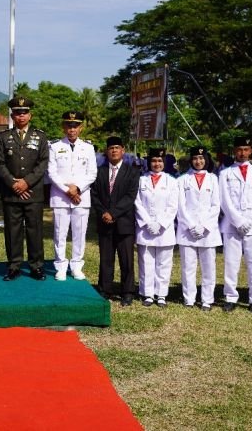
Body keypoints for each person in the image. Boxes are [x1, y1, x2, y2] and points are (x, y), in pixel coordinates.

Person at [0, 97, 50, 281]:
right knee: (13, 232)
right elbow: (0, 163)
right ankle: (14, 266)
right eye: (17, 113)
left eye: (24, 112)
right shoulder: (4, 137)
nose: (21, 116)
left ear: (30, 115)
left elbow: (43, 163)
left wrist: (26, 182)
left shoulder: (40, 136)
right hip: (11, 193)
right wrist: (13, 183)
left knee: (35, 231)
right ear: (12, 116)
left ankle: (36, 266)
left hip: (33, 192)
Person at [219, 135, 252, 313]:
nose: (242, 153)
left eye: (246, 149)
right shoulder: (225, 173)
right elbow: (224, 200)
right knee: (231, 263)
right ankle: (230, 297)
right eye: (239, 149)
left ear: (251, 151)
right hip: (231, 224)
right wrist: (238, 220)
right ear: (234, 151)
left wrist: (249, 220)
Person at [47, 111, 97, 281]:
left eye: (75, 126)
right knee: (59, 234)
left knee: (79, 234)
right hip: (61, 197)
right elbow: (52, 172)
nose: (72, 129)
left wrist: (78, 189)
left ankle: (76, 266)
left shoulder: (88, 148)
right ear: (64, 127)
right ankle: (60, 265)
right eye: (69, 125)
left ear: (81, 128)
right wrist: (67, 190)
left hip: (81, 198)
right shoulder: (55, 146)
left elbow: (92, 173)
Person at [91, 137, 139, 306]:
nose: (114, 151)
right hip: (104, 222)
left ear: (123, 150)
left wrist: (113, 213)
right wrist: (103, 213)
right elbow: (94, 195)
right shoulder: (99, 171)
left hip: (124, 222)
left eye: (117, 147)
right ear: (107, 151)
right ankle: (105, 289)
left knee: (126, 260)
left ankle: (127, 292)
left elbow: (130, 196)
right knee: (106, 259)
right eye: (111, 148)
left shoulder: (132, 172)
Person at [176, 146, 222, 311]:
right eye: (195, 158)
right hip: (187, 230)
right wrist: (191, 226)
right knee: (188, 267)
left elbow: (216, 205)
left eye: (201, 158)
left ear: (206, 160)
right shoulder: (182, 180)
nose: (198, 161)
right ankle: (189, 298)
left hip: (208, 231)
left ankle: (207, 300)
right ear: (191, 160)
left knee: (208, 267)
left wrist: (205, 226)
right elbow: (180, 206)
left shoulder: (213, 179)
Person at [135, 148, 179, 307]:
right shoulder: (141, 180)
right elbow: (137, 203)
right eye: (153, 161)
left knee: (163, 263)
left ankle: (161, 294)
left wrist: (160, 223)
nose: (157, 164)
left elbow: (173, 206)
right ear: (149, 162)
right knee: (146, 262)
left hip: (164, 229)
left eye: (160, 161)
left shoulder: (172, 181)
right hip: (145, 228)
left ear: (164, 163)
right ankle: (147, 293)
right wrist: (148, 223)